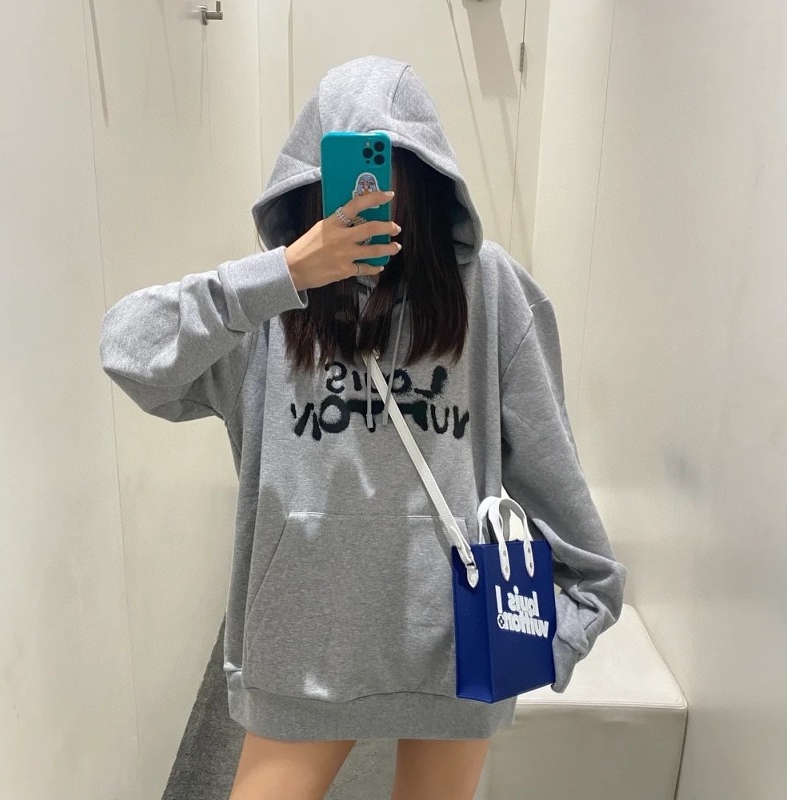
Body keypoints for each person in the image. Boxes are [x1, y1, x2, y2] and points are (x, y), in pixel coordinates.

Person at [100, 55, 627, 800]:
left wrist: (547, 641)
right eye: (349, 175)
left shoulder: (492, 292)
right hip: (302, 657)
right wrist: (283, 274)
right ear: (309, 182)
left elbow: (556, 485)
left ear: (428, 180)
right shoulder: (266, 306)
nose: (372, 195)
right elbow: (128, 351)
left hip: (455, 657)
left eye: (393, 171)